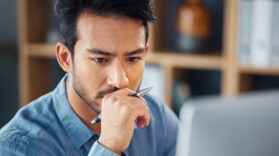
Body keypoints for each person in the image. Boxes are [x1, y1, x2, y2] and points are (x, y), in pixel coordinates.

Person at [0, 0, 179, 155]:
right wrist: (109, 147)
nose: (120, 80)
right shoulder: (17, 148)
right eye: (100, 59)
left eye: (133, 59)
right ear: (65, 58)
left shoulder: (158, 119)